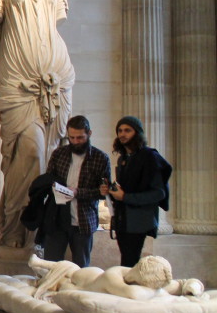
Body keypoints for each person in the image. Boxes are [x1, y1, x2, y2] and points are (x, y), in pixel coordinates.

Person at [0, 0, 75, 248]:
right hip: (18, 81)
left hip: (57, 77)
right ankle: (17, 231)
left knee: (53, 155)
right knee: (29, 153)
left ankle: (44, 236)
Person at [100, 116, 172, 267]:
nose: (122, 134)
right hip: (123, 219)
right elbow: (126, 188)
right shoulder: (124, 158)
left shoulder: (149, 156)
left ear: (137, 133)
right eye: (120, 130)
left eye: (127, 130)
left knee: (130, 263)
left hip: (137, 220)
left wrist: (125, 197)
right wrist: (111, 191)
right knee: (126, 261)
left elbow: (158, 193)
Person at [40, 115, 111, 266]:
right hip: (58, 218)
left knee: (82, 268)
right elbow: (48, 179)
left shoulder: (100, 158)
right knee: (51, 265)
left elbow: (103, 192)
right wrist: (53, 187)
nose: (75, 142)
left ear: (89, 134)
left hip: (83, 220)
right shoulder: (59, 154)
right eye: (71, 137)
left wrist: (78, 192)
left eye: (80, 138)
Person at [29, 254, 203, 301]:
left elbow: (184, 283)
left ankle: (41, 266)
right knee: (69, 271)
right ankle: (41, 265)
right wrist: (158, 292)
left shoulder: (153, 282)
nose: (131, 268)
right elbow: (133, 295)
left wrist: (192, 288)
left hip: (80, 284)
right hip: (83, 278)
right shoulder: (115, 275)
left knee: (67, 277)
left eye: (136, 267)